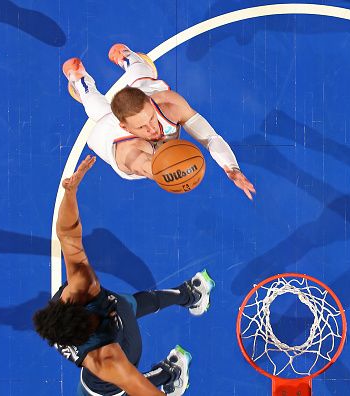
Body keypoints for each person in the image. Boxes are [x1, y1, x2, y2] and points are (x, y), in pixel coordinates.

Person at [33, 155, 216, 396]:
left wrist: (71, 193)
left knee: (98, 388)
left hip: (119, 329)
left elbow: (68, 233)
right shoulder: (106, 361)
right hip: (118, 346)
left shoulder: (81, 287)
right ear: (91, 330)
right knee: (114, 376)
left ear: (74, 302)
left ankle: (172, 364)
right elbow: (140, 389)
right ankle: (172, 360)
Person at [62, 44, 256, 200]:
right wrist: (177, 172)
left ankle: (125, 55)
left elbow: (211, 138)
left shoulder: (166, 103)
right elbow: (153, 168)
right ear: (126, 126)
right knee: (98, 111)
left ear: (150, 104)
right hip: (111, 136)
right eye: (142, 127)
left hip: (145, 101)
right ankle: (80, 80)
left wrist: (233, 168)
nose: (153, 129)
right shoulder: (130, 152)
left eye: (152, 119)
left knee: (143, 75)